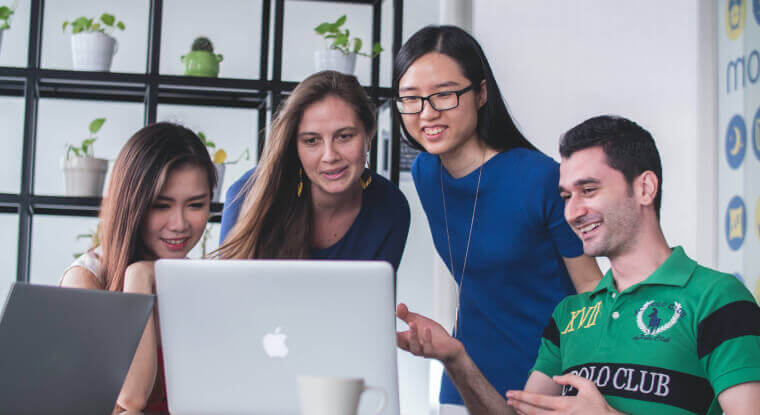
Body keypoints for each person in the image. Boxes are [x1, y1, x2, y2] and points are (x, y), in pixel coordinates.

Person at [397, 115, 760, 414]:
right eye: (566, 196)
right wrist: (457, 359)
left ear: (645, 188)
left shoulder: (719, 299)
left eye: (589, 191)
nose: (572, 212)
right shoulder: (568, 315)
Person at [392, 25, 602, 410]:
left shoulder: (539, 178)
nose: (427, 113)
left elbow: (592, 291)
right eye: (411, 99)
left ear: (482, 93)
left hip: (547, 377)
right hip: (465, 372)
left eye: (444, 95)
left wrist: (578, 384)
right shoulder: (425, 173)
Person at [60, 123, 216, 412]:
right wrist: (139, 278)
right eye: (161, 205)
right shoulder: (85, 279)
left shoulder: (195, 281)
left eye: (195, 205)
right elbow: (131, 398)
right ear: (132, 204)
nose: (179, 224)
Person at [217, 71, 410, 270]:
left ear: (369, 134)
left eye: (344, 136)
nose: (330, 156)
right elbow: (228, 294)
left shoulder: (391, 207)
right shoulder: (248, 194)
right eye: (311, 140)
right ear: (295, 146)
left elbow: (375, 298)